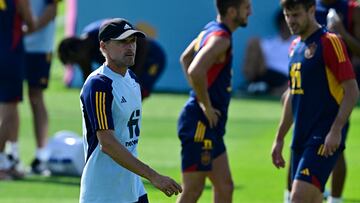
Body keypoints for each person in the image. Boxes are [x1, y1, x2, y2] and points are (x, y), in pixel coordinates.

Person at [79, 18, 182, 203]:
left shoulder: (132, 79)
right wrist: (153, 176)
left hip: (132, 187)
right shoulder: (99, 85)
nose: (130, 47)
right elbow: (107, 143)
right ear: (103, 46)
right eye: (122, 42)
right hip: (104, 192)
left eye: (132, 41)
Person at [271, 0, 359, 203]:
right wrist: (280, 137)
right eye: (287, 15)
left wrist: (336, 129)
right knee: (310, 198)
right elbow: (292, 95)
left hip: (323, 135)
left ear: (311, 11)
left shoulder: (330, 41)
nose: (291, 21)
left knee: (298, 197)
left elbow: (352, 90)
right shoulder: (295, 46)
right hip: (301, 135)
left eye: (296, 15)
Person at [177, 0, 251, 202]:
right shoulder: (221, 38)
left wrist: (200, 96)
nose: (250, 12)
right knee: (193, 190)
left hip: (210, 124)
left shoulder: (211, 29)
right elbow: (195, 69)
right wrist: (205, 104)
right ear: (232, 11)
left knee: (225, 187)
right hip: (200, 123)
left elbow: (185, 58)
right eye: (247, 8)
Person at [58, 19, 166, 100]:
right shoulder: (83, 54)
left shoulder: (101, 32)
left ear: (78, 49)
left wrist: (134, 77)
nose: (78, 64)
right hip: (128, 63)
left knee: (135, 95)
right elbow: (89, 82)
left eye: (75, 61)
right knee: (119, 101)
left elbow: (142, 42)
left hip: (151, 57)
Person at [19, 0, 59, 175]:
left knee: (36, 98)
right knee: (8, 101)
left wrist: (31, 28)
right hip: (12, 46)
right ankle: (8, 155)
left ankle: (41, 156)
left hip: (40, 46)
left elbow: (52, 9)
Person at [0, 0, 37, 180]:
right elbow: (31, 23)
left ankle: (10, 160)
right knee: (8, 112)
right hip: (9, 55)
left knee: (9, 110)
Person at [242, 9, 293, 96]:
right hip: (267, 75)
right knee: (253, 42)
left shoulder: (298, 43)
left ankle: (262, 89)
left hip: (286, 79)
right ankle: (257, 86)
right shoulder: (269, 43)